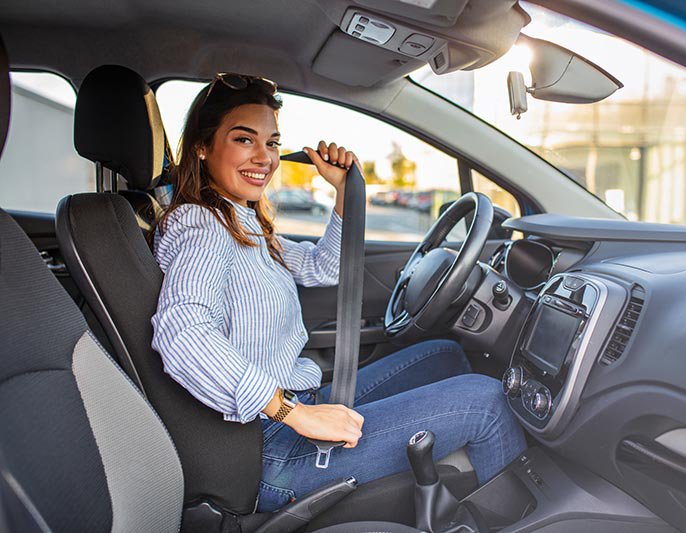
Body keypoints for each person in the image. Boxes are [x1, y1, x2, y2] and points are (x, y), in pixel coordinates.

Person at [150, 73, 527, 513]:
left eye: (272, 143)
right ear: (202, 146)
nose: (264, 157)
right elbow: (182, 334)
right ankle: (520, 520)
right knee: (487, 403)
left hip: (294, 401)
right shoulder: (200, 227)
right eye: (243, 139)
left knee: (444, 354)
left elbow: (322, 267)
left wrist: (345, 191)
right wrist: (296, 415)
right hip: (270, 447)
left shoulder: (241, 220)